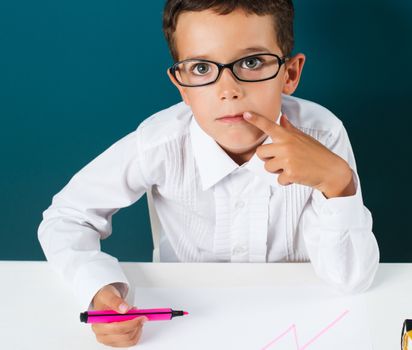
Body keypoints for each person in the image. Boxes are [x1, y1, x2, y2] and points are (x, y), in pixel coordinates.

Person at [38, 0, 379, 347]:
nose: (228, 89)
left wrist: (338, 182)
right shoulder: (160, 142)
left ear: (289, 74)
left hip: (303, 321)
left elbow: (350, 281)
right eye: (201, 68)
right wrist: (99, 288)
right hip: (186, 323)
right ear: (182, 85)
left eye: (251, 62)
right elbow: (65, 218)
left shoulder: (323, 134)